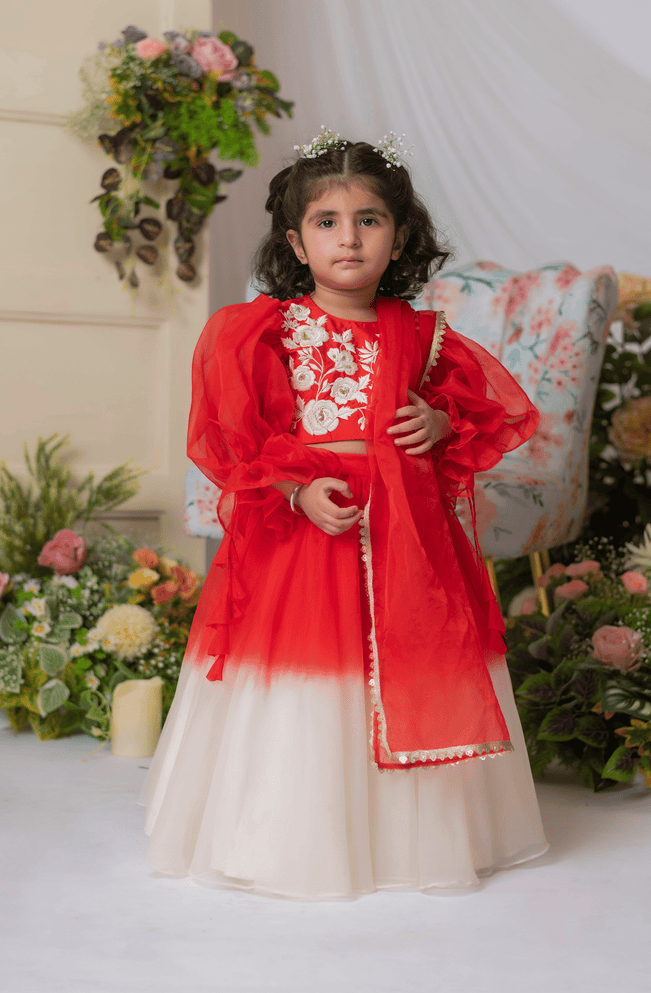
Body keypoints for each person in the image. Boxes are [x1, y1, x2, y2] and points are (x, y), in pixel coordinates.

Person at [140, 129, 549, 899]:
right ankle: (300, 835)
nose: (349, 237)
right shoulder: (262, 331)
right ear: (296, 241)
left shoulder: (426, 337)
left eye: (369, 219)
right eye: (327, 222)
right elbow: (241, 443)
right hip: (308, 535)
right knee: (306, 688)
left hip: (408, 541)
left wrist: (439, 424)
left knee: (412, 661)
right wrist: (296, 492)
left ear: (400, 239)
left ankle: (410, 840)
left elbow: (477, 420)